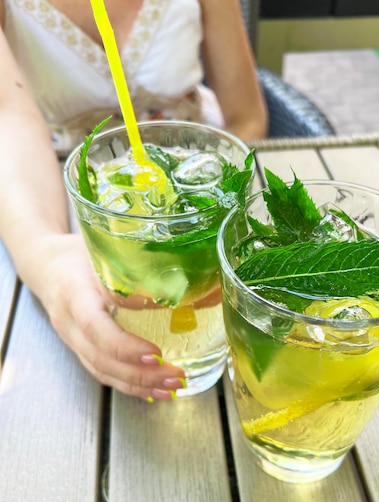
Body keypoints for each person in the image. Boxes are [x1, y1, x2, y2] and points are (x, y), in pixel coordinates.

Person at [0, 0, 267, 401]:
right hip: (68, 198)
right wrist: (46, 254)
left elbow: (246, 119)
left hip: (196, 181)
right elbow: (9, 119)